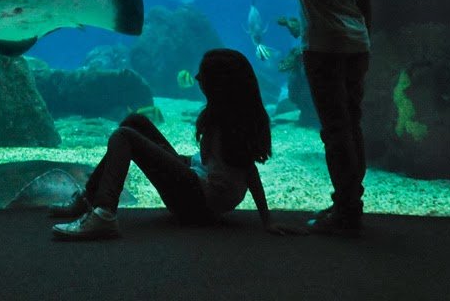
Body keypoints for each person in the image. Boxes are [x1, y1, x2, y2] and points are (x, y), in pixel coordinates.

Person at [49, 48, 304, 240]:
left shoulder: (229, 123)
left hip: (200, 203)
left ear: (219, 84)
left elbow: (248, 169)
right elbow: (241, 169)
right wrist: (266, 219)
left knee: (123, 136)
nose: (196, 77)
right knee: (135, 121)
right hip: (199, 185)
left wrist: (267, 220)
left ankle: (104, 214)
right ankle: (89, 199)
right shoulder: (231, 115)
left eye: (202, 74)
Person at [268, 0, 372, 237]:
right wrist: (366, 36)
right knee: (352, 123)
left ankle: (346, 210)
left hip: (322, 47)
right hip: (357, 45)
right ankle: (350, 201)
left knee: (334, 128)